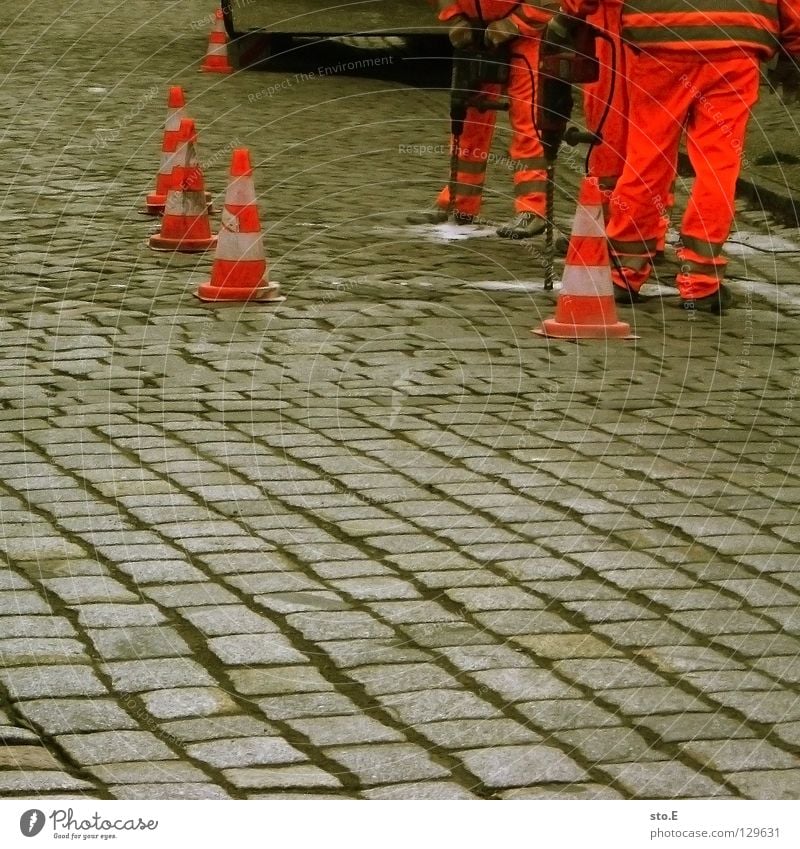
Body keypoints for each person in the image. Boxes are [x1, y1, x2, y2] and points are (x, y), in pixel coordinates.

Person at [559, 0, 800, 313]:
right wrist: (794, 47)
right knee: (719, 163)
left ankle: (624, 274)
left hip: (660, 38)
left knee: (648, 155)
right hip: (735, 42)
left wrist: (570, 13)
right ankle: (701, 282)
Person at [411, 1, 560, 238]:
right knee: (467, 122)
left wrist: (516, 23)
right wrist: (455, 17)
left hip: (526, 37)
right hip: (475, 33)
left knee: (528, 119)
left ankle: (533, 209)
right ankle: (459, 202)